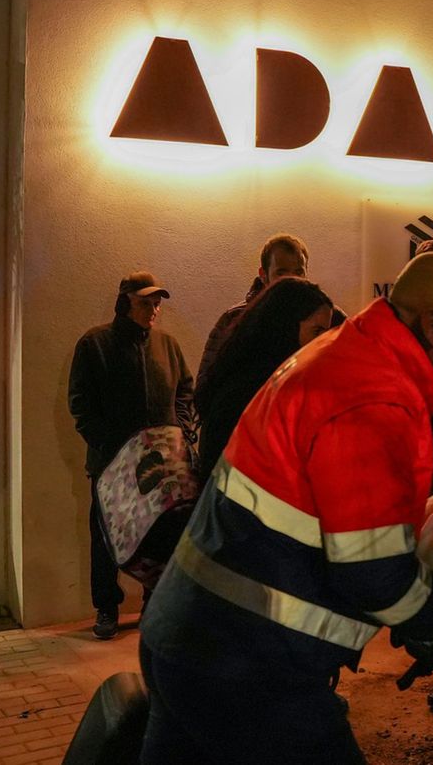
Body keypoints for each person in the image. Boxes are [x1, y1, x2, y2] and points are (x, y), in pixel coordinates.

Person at [139, 253, 433, 764]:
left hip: (189, 635)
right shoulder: (373, 397)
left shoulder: (349, 356)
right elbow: (374, 575)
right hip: (249, 669)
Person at [68, 272, 194, 640]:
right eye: (145, 302)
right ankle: (107, 608)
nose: (153, 309)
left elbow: (185, 391)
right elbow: (81, 404)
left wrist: (181, 431)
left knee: (162, 532)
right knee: (107, 538)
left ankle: (155, 600)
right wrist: (111, 448)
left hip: (162, 467)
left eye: (157, 303)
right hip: (111, 465)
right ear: (124, 303)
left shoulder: (168, 345)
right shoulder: (94, 344)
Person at [194, 277, 335, 479]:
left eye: (328, 333)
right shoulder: (251, 389)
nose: (324, 342)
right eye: (317, 331)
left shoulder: (272, 378)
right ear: (285, 327)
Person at [196, 233, 311, 398]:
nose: (292, 280)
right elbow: (207, 387)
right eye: (282, 273)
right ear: (264, 275)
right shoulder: (235, 320)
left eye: (299, 272)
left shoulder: (320, 319)